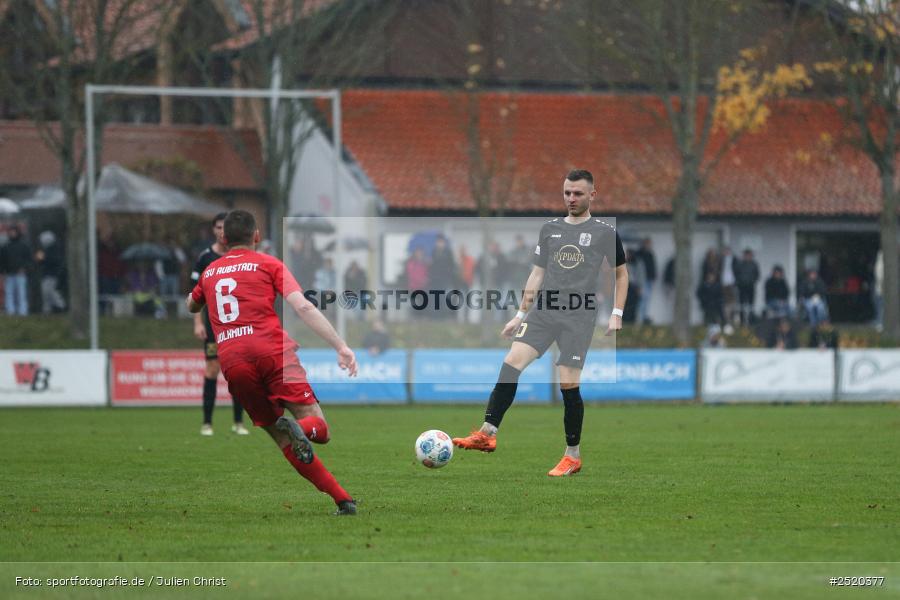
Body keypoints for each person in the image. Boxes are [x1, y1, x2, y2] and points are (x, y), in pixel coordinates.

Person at [452, 169, 628, 477]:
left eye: (577, 193)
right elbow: (536, 274)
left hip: (579, 314)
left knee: (568, 385)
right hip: (544, 311)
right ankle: (487, 433)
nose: (571, 198)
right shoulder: (550, 229)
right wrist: (520, 314)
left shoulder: (604, 232)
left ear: (591, 195)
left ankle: (572, 455)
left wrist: (617, 312)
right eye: (567, 193)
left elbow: (621, 274)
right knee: (511, 362)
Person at [187, 209, 359, 516]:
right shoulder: (269, 264)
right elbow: (302, 307)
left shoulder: (210, 272)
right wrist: (340, 346)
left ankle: (342, 499)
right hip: (273, 352)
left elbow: (191, 304)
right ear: (256, 236)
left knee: (283, 440)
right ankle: (302, 427)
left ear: (224, 239)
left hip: (233, 360)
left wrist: (199, 294)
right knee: (319, 426)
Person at [191, 213, 247, 436]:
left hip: (237, 326)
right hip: (214, 326)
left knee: (238, 372)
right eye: (218, 227)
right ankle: (207, 423)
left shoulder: (240, 257)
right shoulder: (205, 258)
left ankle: (238, 423)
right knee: (212, 369)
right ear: (214, 230)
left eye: (226, 227)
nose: (222, 231)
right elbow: (195, 295)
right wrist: (197, 322)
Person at [2, 225, 31, 316]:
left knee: (21, 294)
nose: (12, 233)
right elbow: (2, 260)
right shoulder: (5, 247)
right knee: (9, 294)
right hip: (9, 273)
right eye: (11, 232)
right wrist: (3, 272)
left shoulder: (24, 246)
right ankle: (11, 312)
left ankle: (23, 312)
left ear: (17, 233)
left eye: (14, 231)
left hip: (20, 273)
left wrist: (24, 269)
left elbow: (28, 259)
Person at [35, 231, 65, 314]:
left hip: (52, 274)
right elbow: (41, 263)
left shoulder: (54, 249)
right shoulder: (46, 250)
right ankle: (48, 309)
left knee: (49, 291)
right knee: (46, 292)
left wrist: (43, 258)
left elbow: (54, 261)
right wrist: (40, 259)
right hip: (46, 274)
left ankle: (60, 306)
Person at [733, 248, 760, 325]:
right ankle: (742, 320)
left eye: (749, 255)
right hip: (741, 287)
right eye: (746, 255)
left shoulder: (754, 264)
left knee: (751, 304)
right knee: (741, 304)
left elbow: (757, 275)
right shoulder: (740, 264)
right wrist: (739, 282)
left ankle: (751, 320)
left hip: (750, 286)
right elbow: (736, 274)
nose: (747, 257)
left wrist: (752, 281)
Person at [634, 237, 657, 324]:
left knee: (646, 300)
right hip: (642, 281)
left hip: (649, 280)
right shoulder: (639, 254)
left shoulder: (650, 254)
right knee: (642, 300)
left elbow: (653, 267)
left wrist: (653, 277)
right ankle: (639, 318)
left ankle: (643, 317)